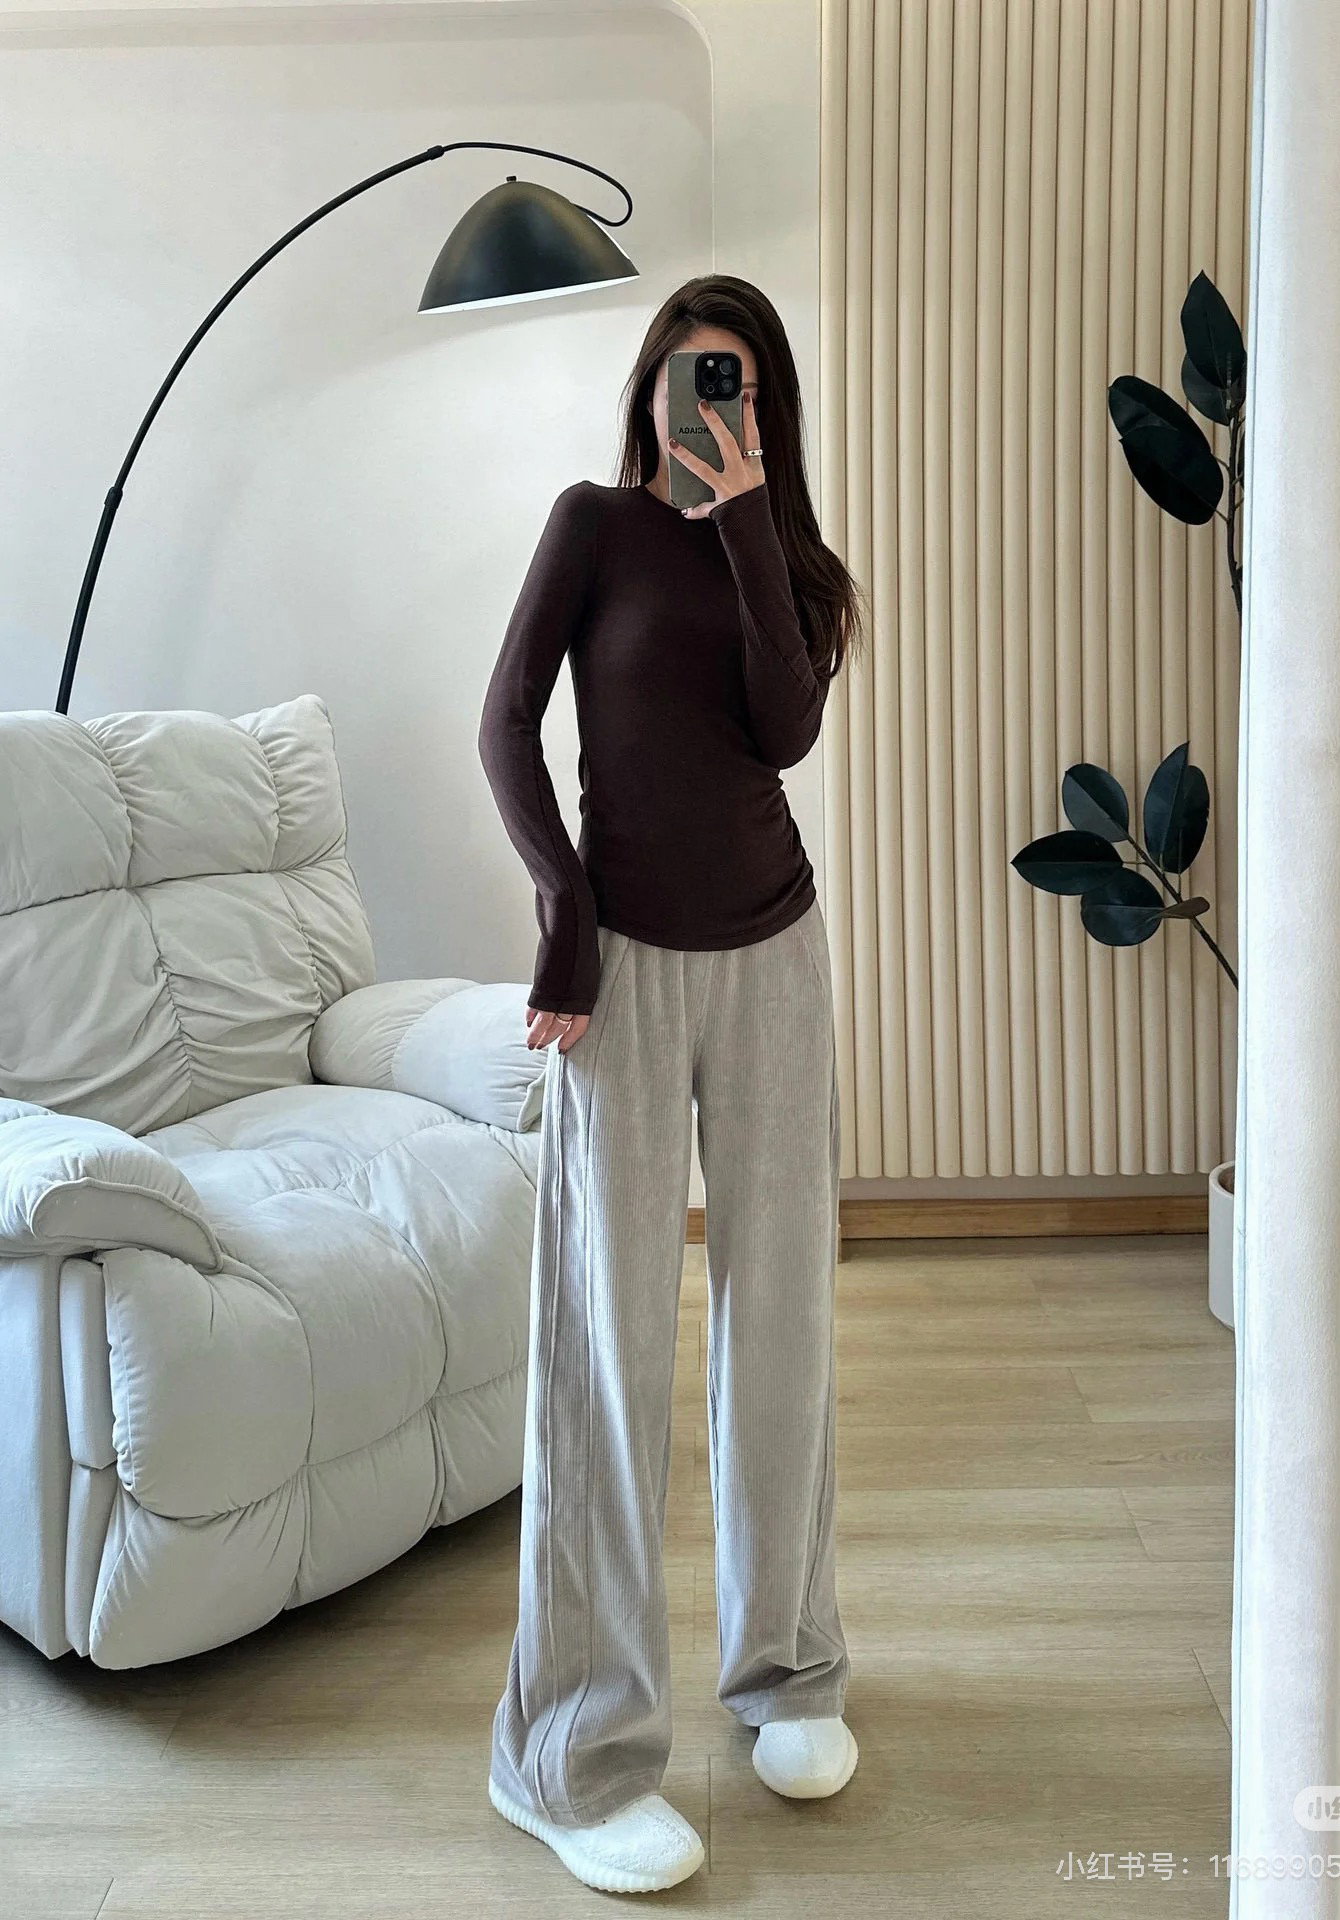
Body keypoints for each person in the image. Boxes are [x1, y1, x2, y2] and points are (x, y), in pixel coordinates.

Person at [477, 274, 867, 1894]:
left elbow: (781, 733)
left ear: (769, 409)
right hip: (625, 969)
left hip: (775, 957)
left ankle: (789, 1671)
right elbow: (507, 723)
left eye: (746, 384)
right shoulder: (590, 527)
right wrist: (563, 907)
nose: (718, 403)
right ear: (649, 387)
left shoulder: (789, 558)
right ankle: (569, 1754)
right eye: (699, 377)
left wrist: (750, 519)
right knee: (606, 1349)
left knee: (782, 1328)